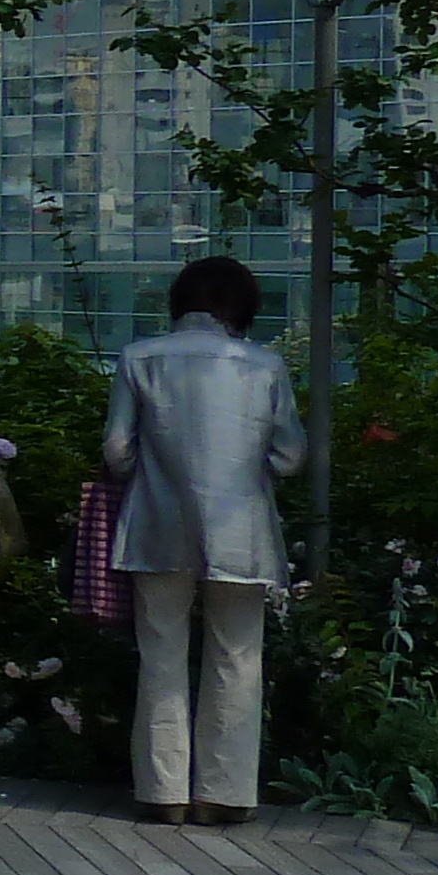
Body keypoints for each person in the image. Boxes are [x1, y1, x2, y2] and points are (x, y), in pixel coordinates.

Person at [103, 253, 308, 828]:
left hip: (157, 527)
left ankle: (163, 792)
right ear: (241, 308)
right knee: (238, 656)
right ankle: (225, 792)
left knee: (161, 652)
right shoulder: (264, 366)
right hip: (242, 533)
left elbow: (116, 453)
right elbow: (291, 457)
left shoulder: (138, 358)